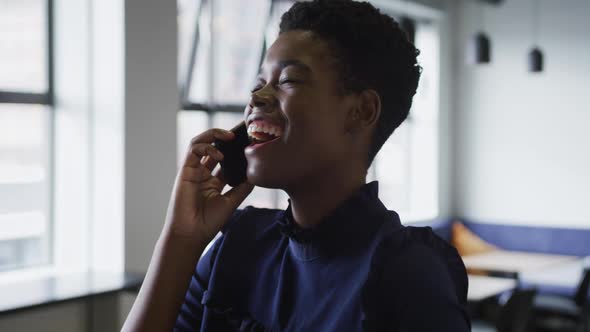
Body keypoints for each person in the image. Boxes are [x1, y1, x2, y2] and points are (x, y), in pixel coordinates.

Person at [122, 0, 470, 331]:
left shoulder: (407, 273)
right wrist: (181, 240)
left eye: (288, 81)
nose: (256, 97)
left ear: (361, 111)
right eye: (259, 83)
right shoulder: (238, 245)